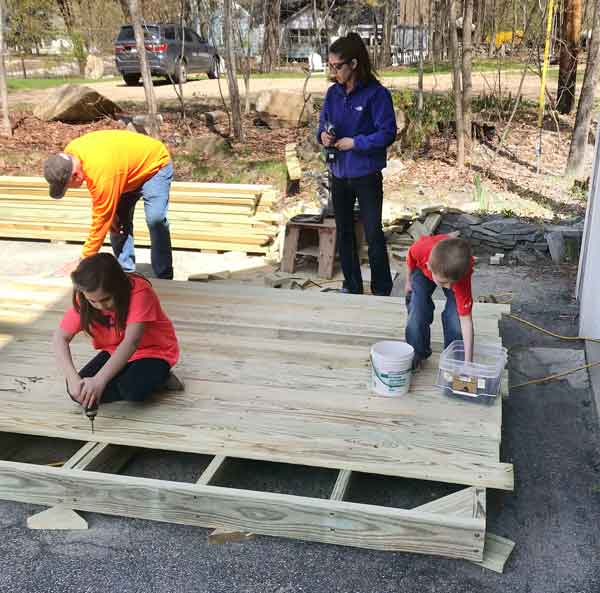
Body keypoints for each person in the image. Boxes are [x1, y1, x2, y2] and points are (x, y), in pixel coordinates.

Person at [52, 253, 182, 417]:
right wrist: (73, 379)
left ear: (118, 287)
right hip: (114, 351)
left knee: (132, 391)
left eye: (106, 299)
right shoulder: (85, 298)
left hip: (154, 351)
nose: (100, 306)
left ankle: (161, 378)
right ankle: (140, 378)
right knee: (80, 392)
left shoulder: (140, 292)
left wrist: (100, 381)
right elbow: (59, 338)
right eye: (93, 301)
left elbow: (131, 342)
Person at [317, 32, 397, 296]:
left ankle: (382, 289)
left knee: (373, 233)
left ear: (353, 64)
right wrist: (323, 136)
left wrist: (356, 143)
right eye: (330, 66)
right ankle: (351, 286)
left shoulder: (377, 95)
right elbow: (321, 125)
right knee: (345, 233)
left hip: (366, 174)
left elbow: (388, 133)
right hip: (338, 173)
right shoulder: (333, 94)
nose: (333, 71)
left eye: (337, 66)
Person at [43, 130, 174, 279]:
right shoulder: (70, 156)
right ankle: (126, 274)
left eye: (66, 186)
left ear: (76, 176)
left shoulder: (100, 170)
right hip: (123, 171)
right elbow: (101, 202)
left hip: (154, 166)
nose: (67, 190)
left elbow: (101, 218)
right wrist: (110, 215)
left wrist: (83, 260)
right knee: (116, 223)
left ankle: (165, 276)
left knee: (155, 220)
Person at [404, 234, 475, 368]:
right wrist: (408, 281)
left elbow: (466, 320)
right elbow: (410, 259)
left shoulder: (461, 275)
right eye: (444, 283)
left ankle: (454, 361)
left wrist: (468, 362)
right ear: (429, 266)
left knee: (455, 320)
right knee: (417, 311)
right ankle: (417, 353)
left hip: (452, 273)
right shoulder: (420, 249)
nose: (449, 287)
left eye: (450, 283)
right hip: (421, 269)